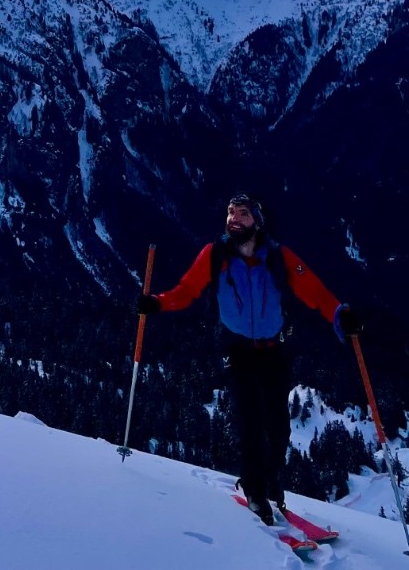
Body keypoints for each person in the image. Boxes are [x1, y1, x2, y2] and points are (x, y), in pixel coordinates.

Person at [136, 193, 360, 525]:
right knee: (250, 420)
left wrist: (340, 314)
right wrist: (157, 303)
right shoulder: (214, 255)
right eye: (230, 212)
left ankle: (269, 481)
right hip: (236, 348)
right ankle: (255, 490)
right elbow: (187, 290)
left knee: (278, 425)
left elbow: (312, 290)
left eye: (242, 213)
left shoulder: (279, 256)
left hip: (273, 350)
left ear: (257, 220)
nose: (233, 219)